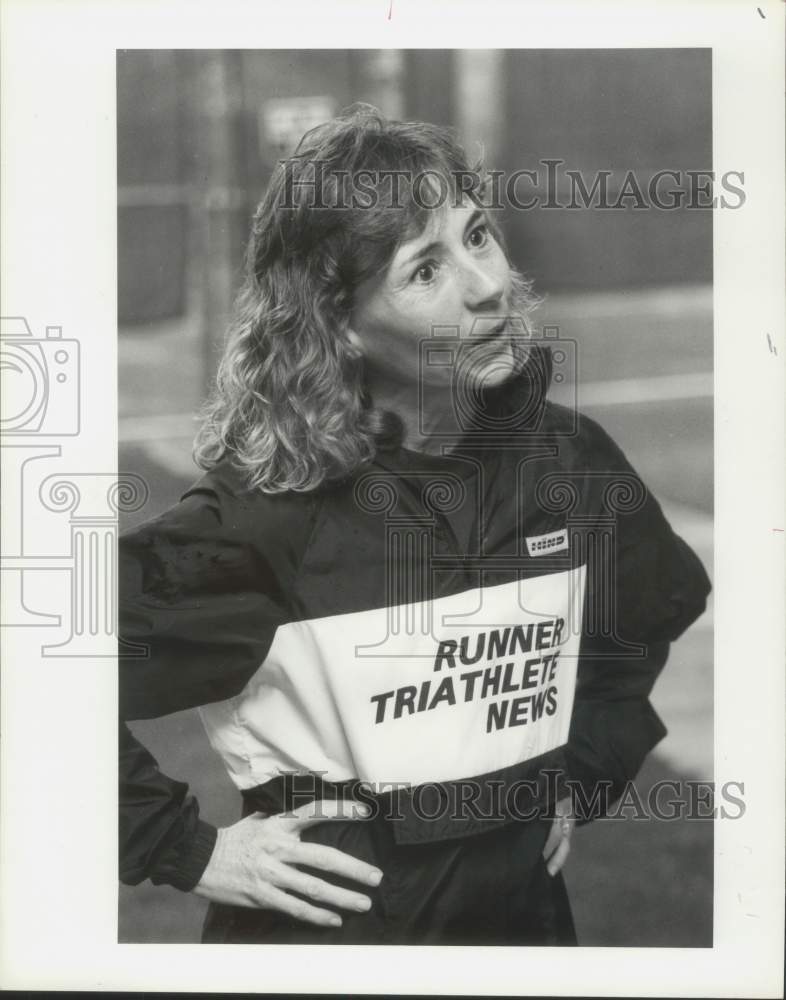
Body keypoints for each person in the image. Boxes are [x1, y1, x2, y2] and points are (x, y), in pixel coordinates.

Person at [119, 106, 711, 945]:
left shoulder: (568, 462)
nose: (486, 284)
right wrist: (188, 848)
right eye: (424, 270)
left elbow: (646, 617)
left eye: (477, 236)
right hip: (333, 943)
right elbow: (38, 676)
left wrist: (584, 767)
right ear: (339, 326)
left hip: (527, 933)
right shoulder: (266, 517)